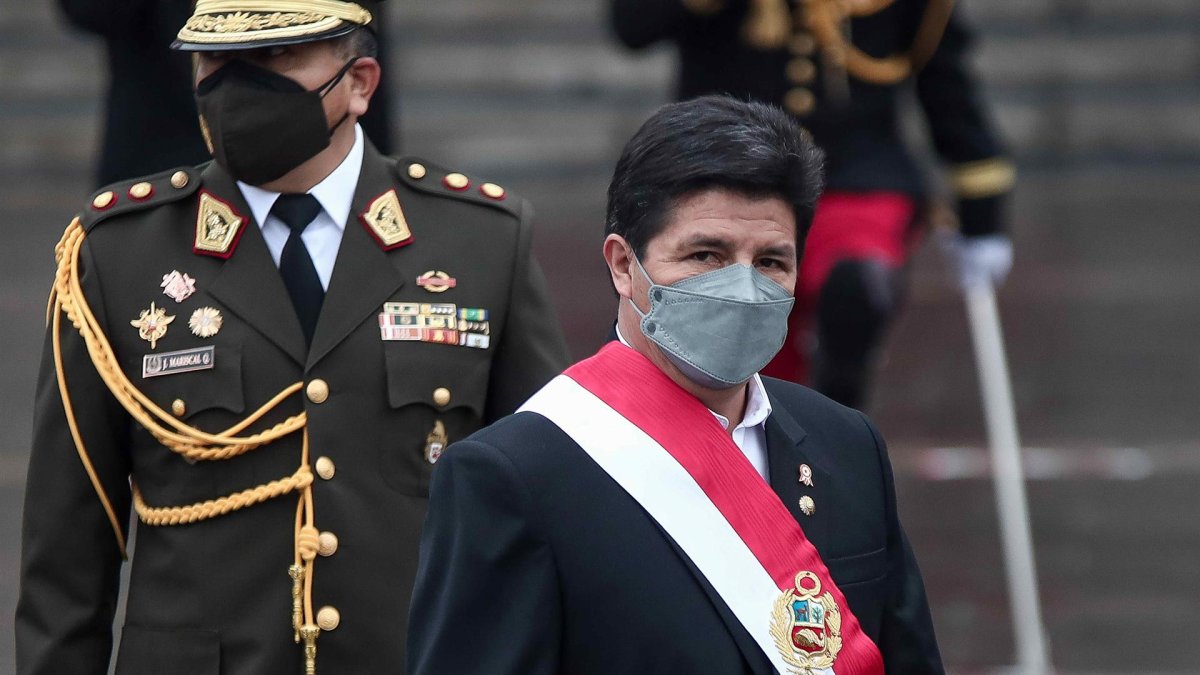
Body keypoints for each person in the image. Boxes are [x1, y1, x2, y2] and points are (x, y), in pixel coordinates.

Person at [16, 1, 569, 673]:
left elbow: (544, 505)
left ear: (360, 82)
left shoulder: (479, 241)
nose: (240, 86)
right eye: (218, 62)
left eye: (277, 58)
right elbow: (68, 552)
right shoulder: (118, 255)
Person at [408, 96, 943, 674]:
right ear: (622, 265)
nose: (742, 287)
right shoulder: (512, 475)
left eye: (770, 262)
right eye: (705, 255)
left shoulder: (847, 444)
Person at [610, 0, 1015, 408]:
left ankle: (836, 415)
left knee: (855, 286)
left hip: (856, 177)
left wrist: (983, 211)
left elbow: (944, 84)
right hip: (724, 176)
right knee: (738, 325)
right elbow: (633, 28)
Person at [57, 0, 397, 187]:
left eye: (272, 54)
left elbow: (350, 27)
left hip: (321, 133)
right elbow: (91, 11)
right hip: (165, 141)